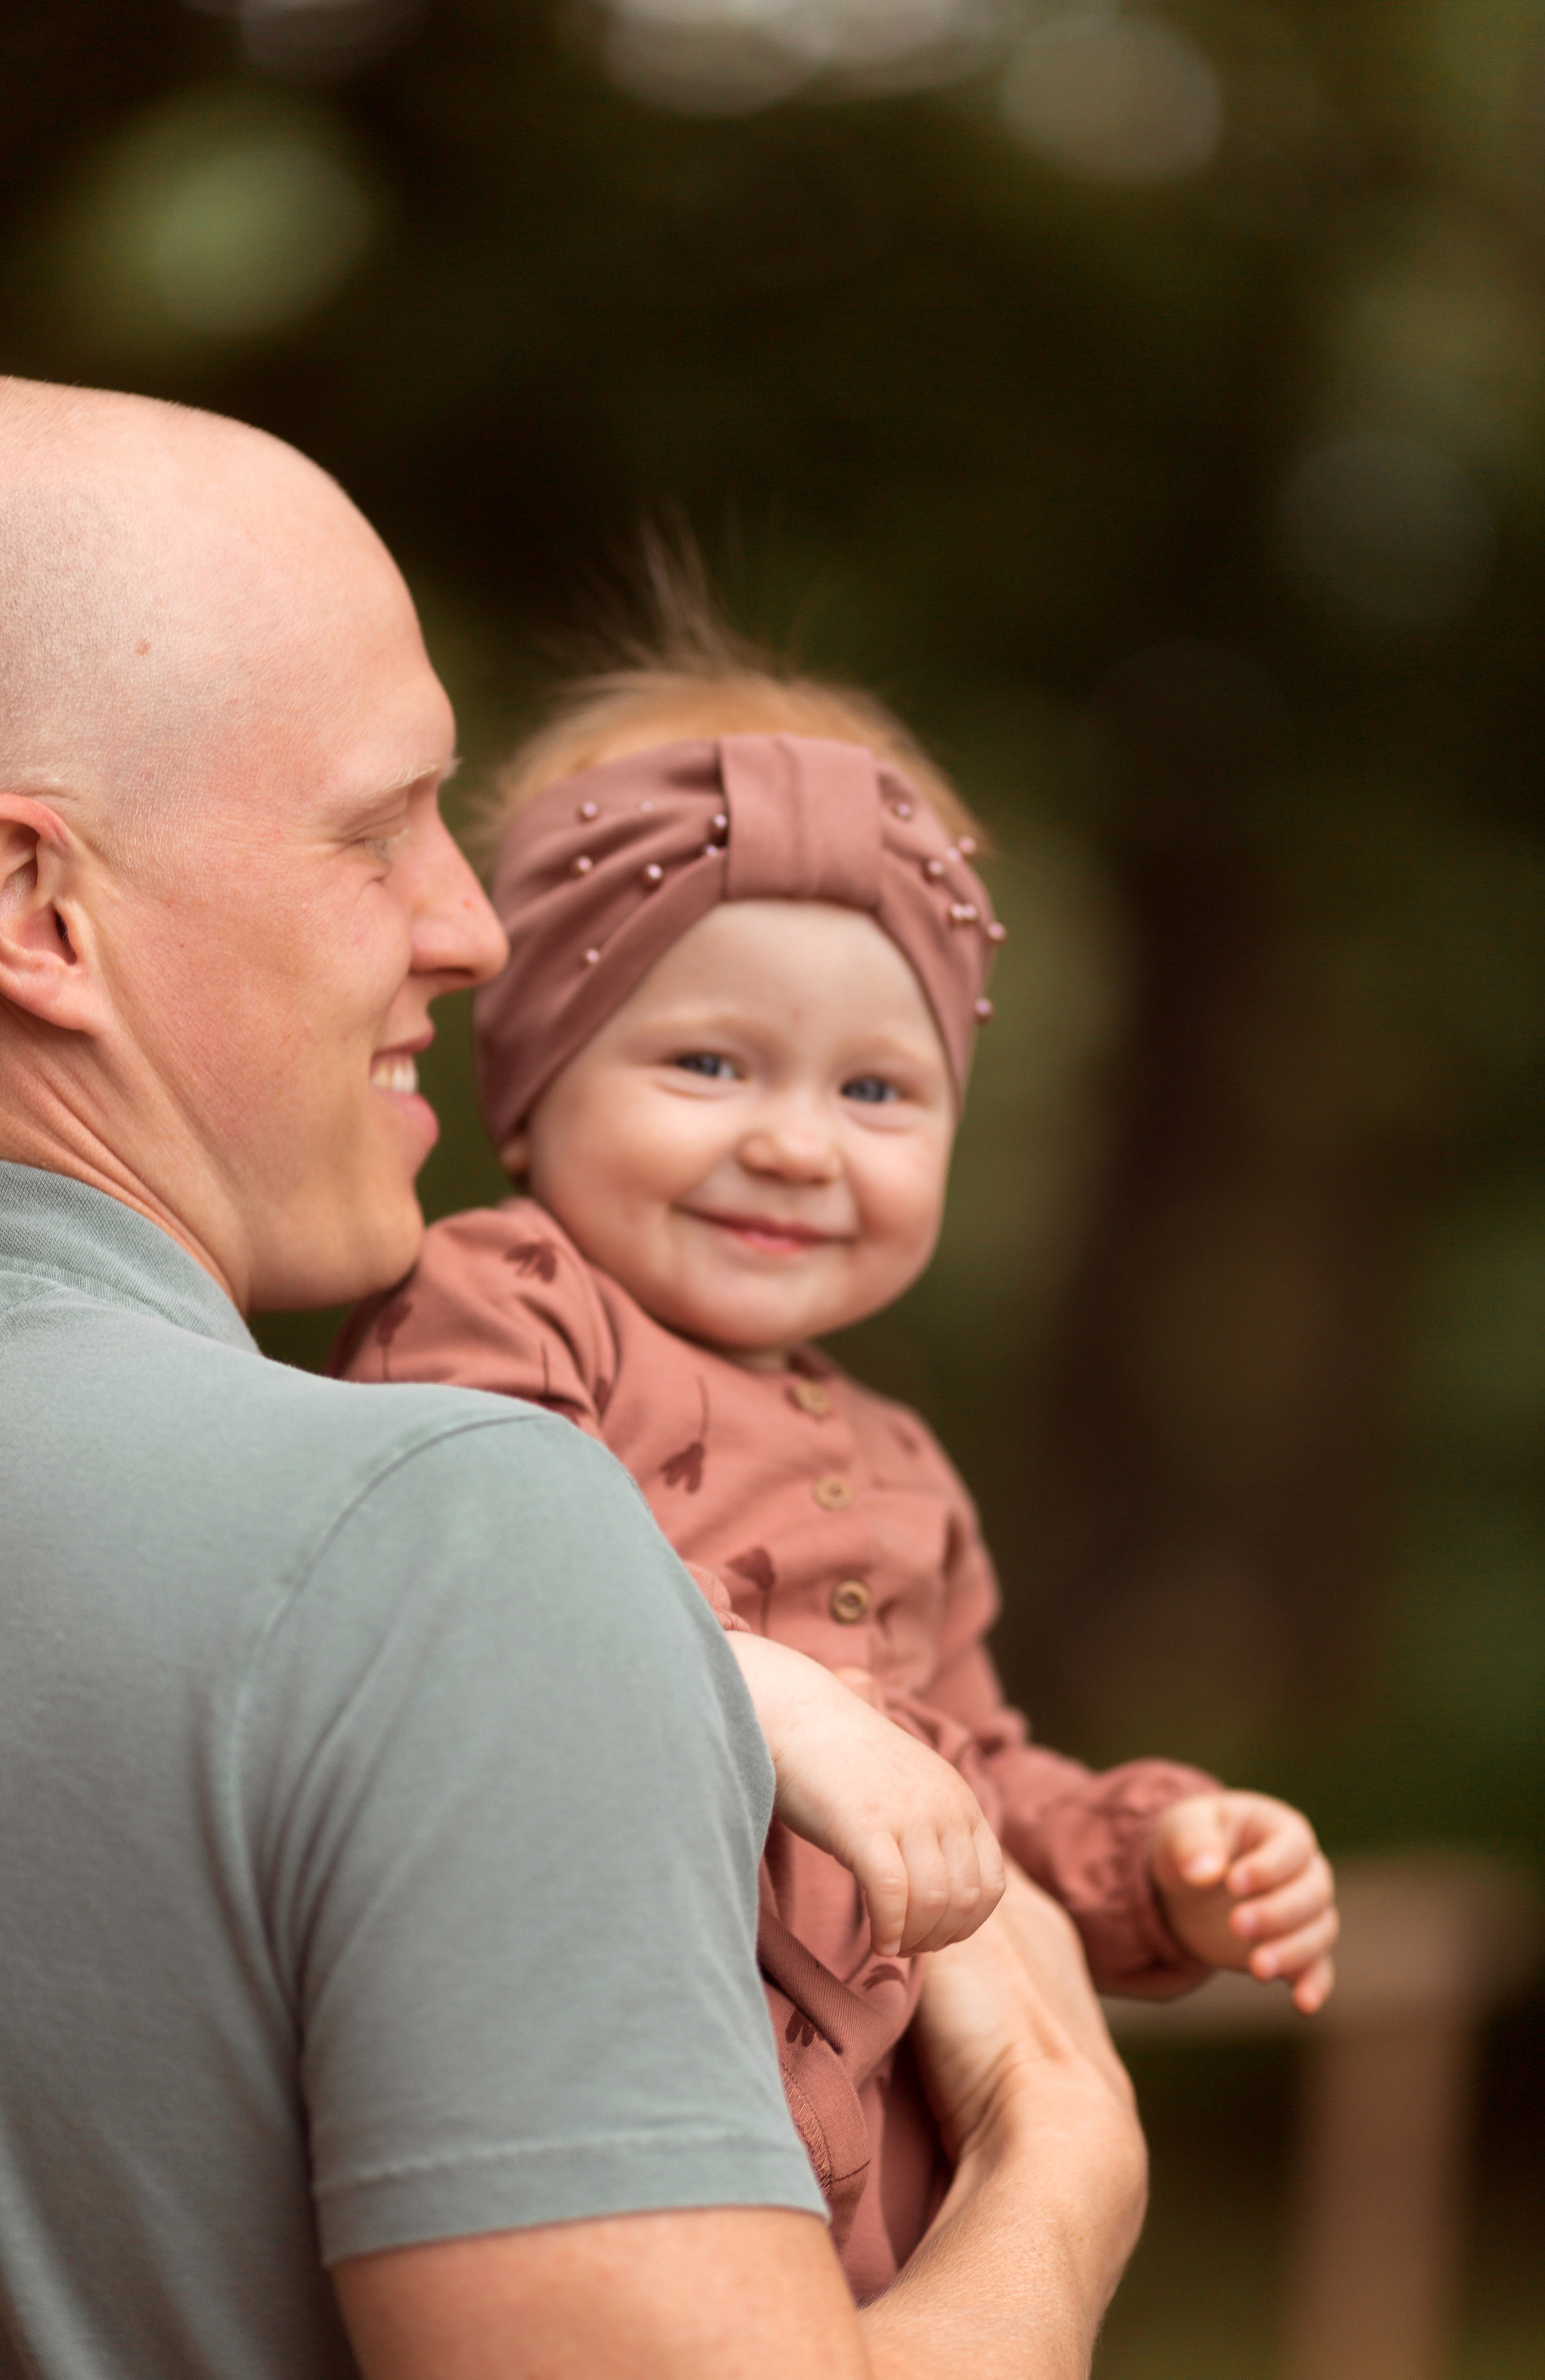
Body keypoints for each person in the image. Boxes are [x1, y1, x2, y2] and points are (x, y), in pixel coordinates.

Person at [0, 374, 1148, 2380]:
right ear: (38, 906)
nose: (467, 933)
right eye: (378, 831)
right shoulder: (457, 1534)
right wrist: (1062, 2153)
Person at [334, 617, 1342, 2297]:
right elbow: (462, 1586)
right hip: (614, 2145)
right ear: (533, 1077)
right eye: (710, 1063)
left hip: (885, 2204)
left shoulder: (898, 1462)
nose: (795, 1143)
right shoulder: (502, 1299)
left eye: (878, 1089)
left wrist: (1159, 1858)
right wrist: (769, 1695)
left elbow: (977, 1787)